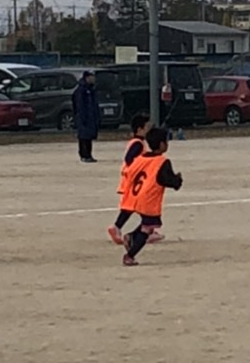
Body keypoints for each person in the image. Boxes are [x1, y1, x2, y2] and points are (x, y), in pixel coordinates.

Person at [119, 127, 183, 266]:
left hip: (135, 196)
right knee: (148, 228)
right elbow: (166, 180)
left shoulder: (141, 158)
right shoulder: (162, 161)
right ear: (161, 145)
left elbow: (130, 172)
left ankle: (131, 237)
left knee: (146, 222)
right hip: (148, 199)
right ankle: (130, 255)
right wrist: (177, 180)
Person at [108, 112, 151, 245]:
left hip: (134, 180)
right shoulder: (137, 144)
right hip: (134, 181)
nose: (148, 130)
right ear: (140, 129)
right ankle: (117, 227)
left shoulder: (138, 143)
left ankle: (148, 229)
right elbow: (129, 159)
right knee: (134, 206)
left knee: (139, 205)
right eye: (146, 127)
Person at [73, 69, 100, 163]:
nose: (94, 79)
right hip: (84, 117)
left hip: (91, 117)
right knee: (84, 137)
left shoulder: (91, 89)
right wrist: (82, 117)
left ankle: (89, 155)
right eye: (92, 77)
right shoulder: (81, 90)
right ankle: (84, 155)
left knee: (89, 137)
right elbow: (79, 105)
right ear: (87, 77)